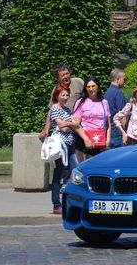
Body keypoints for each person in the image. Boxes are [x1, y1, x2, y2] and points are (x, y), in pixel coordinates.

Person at [49, 84, 84, 214]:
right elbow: (63, 128)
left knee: (76, 172)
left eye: (66, 95)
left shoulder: (68, 110)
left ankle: (72, 202)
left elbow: (74, 124)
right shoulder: (55, 109)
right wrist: (72, 124)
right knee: (58, 175)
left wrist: (69, 123)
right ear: (57, 96)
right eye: (62, 95)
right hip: (60, 147)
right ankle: (57, 205)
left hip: (70, 147)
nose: (65, 97)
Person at [38, 64, 84, 141]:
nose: (66, 77)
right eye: (63, 75)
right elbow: (51, 110)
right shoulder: (56, 89)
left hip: (80, 122)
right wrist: (46, 129)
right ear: (57, 78)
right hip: (65, 124)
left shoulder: (79, 82)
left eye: (67, 74)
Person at [73, 77, 111, 158]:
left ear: (98, 87)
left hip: (100, 142)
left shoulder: (104, 102)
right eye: (88, 87)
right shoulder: (81, 102)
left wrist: (108, 141)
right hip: (85, 143)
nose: (91, 89)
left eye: (93, 86)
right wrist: (86, 139)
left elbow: (108, 124)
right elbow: (76, 124)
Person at [103, 68, 127, 148]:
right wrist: (125, 132)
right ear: (117, 79)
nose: (125, 81)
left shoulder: (107, 92)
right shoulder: (119, 93)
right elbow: (122, 115)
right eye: (124, 79)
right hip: (118, 133)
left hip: (110, 131)